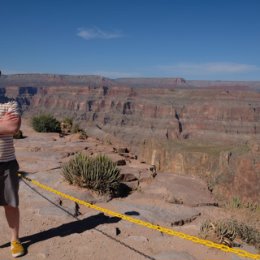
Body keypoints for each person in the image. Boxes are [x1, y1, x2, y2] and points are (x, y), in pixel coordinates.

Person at [0, 100, 24, 258]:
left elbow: (13, 128)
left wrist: (6, 126)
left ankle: (15, 240)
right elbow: (5, 127)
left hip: (7, 164)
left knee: (11, 204)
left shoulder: (10, 104)